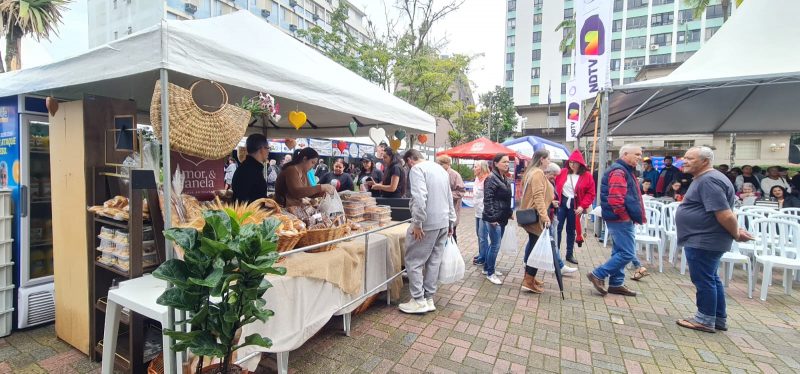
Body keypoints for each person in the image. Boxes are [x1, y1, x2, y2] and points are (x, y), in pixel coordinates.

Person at [675, 146, 753, 333]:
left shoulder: (709, 180)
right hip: (704, 238)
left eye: (690, 158)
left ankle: (704, 319)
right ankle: (717, 317)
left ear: (705, 161)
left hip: (704, 239)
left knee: (703, 279)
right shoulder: (706, 178)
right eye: (684, 157)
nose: (684, 161)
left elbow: (725, 214)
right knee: (710, 278)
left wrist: (736, 233)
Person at [398, 149, 456, 314]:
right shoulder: (440, 169)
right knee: (433, 261)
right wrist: (451, 222)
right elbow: (449, 197)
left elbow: (419, 197)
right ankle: (428, 298)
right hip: (443, 222)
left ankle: (418, 300)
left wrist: (417, 223)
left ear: (410, 160)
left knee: (414, 261)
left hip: (427, 223)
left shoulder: (417, 169)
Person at [586, 144, 645, 297]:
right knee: (627, 253)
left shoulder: (622, 170)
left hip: (619, 218)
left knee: (619, 251)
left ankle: (616, 283)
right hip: (620, 219)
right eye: (637, 154)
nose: (640, 157)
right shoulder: (619, 171)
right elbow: (615, 199)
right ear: (625, 154)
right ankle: (598, 274)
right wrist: (624, 216)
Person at [518, 150, 554, 294]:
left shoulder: (530, 172)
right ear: (542, 160)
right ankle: (529, 280)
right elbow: (538, 196)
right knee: (536, 249)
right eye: (548, 159)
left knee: (533, 246)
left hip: (531, 215)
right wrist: (545, 217)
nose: (549, 162)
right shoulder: (537, 173)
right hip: (536, 216)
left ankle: (529, 277)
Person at [554, 150, 596, 265]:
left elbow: (591, 193)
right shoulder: (563, 172)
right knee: (557, 228)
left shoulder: (587, 176)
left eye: (575, 162)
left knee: (571, 230)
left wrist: (583, 206)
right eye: (571, 162)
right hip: (562, 203)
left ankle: (569, 254)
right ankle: (555, 254)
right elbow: (554, 184)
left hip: (576, 206)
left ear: (580, 163)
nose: (572, 164)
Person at [482, 153, 514, 285]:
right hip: (494, 218)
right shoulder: (491, 178)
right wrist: (492, 217)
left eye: (508, 162)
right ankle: (490, 273)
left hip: (502, 216)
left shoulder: (503, 177)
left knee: (493, 244)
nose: (507, 164)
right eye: (504, 162)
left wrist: (510, 212)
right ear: (495, 163)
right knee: (495, 245)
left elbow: (506, 198)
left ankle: (487, 268)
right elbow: (488, 199)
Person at [232, 134, 271, 203]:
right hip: (249, 213)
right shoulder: (250, 170)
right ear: (262, 149)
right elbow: (244, 200)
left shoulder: (247, 167)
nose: (268, 151)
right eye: (268, 148)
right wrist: (266, 203)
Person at [437, 156, 466, 242]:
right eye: (438, 164)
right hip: (441, 210)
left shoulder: (455, 175)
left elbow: (461, 191)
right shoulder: (438, 173)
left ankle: (454, 254)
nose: (439, 166)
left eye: (441, 164)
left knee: (452, 234)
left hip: (452, 209)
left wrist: (447, 195)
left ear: (448, 164)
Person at [471, 160, 491, 266]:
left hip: (485, 212)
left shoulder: (487, 179)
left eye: (475, 167)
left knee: (483, 235)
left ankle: (483, 257)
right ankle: (481, 254)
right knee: (478, 234)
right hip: (477, 211)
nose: (473, 168)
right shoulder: (477, 179)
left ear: (481, 168)